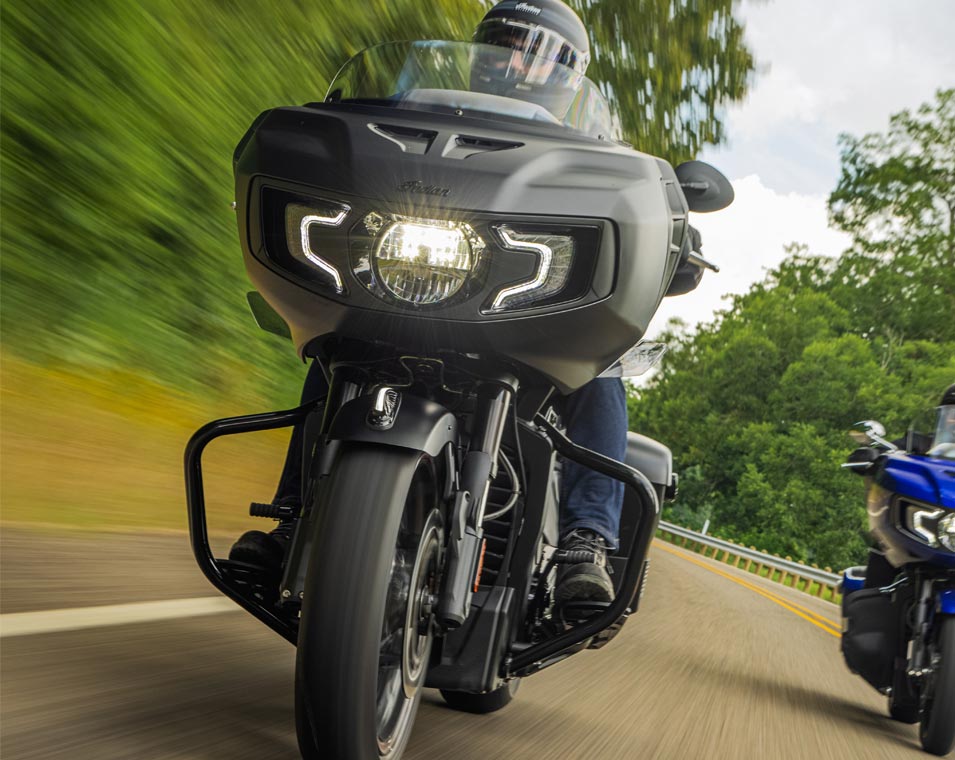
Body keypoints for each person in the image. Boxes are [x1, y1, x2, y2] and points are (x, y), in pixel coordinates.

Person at [231, 0, 641, 607]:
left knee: (605, 362)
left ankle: (588, 542)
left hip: (518, 311)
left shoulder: (594, 152)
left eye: (539, 54)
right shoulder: (418, 116)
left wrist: (668, 238)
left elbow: (630, 212)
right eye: (504, 43)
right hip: (415, 288)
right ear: (478, 49)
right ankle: (295, 516)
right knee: (337, 347)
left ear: (571, 76)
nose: (516, 64)